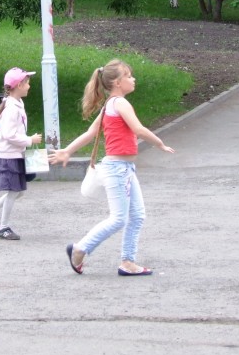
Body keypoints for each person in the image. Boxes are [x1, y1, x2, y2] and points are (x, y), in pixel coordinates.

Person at [52, 59, 175, 276]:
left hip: (124, 168)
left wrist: (68, 151)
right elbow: (138, 128)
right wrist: (159, 143)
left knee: (137, 216)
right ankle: (80, 249)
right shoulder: (119, 103)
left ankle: (127, 262)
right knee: (119, 218)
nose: (133, 79)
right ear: (117, 82)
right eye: (129, 76)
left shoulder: (110, 105)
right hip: (118, 168)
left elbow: (90, 134)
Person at [0, 67, 42, 240]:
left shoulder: (15, 103)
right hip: (9, 155)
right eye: (27, 83)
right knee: (15, 191)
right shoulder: (12, 107)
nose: (29, 86)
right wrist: (30, 140)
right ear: (19, 85)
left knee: (18, 191)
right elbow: (8, 135)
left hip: (15, 154)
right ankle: (3, 228)